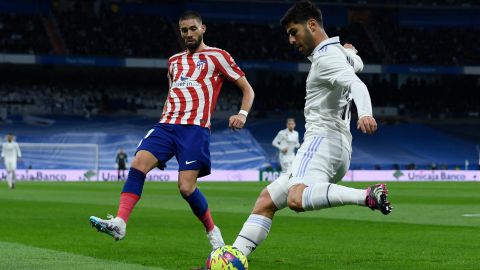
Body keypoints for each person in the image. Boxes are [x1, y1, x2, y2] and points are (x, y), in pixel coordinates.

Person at [232, 0, 392, 257]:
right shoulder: (337, 54)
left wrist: (365, 114)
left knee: (296, 198)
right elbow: (357, 65)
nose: (291, 40)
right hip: (338, 147)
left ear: (312, 25)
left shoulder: (327, 58)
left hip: (321, 140)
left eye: (293, 32)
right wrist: (351, 52)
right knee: (266, 201)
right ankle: (233, 257)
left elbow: (357, 84)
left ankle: (367, 195)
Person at [89, 10, 255, 250]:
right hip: (166, 125)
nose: (188, 34)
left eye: (193, 29)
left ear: (203, 29)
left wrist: (242, 114)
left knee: (186, 188)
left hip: (194, 128)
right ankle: (120, 222)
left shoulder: (217, 56)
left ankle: (212, 231)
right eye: (184, 30)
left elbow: (247, 89)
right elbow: (172, 94)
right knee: (138, 164)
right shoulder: (173, 61)